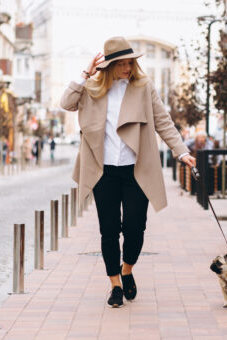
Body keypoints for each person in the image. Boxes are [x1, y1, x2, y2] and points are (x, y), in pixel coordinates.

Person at [60, 36, 196, 307]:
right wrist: (85, 73)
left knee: (135, 227)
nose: (126, 67)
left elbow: (163, 121)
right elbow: (66, 103)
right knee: (108, 230)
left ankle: (127, 269)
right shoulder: (92, 87)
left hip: (136, 169)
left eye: (129, 62)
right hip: (103, 170)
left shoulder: (143, 87)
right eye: (120, 63)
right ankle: (114, 285)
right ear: (108, 65)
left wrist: (182, 151)